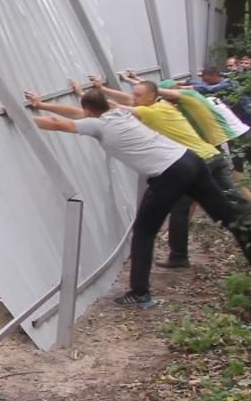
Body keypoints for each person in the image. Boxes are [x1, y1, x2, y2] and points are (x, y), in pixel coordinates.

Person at [24, 87, 251, 306]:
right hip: (191, 160)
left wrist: (22, 117)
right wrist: (42, 105)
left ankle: (139, 293)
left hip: (169, 173)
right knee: (227, 215)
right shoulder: (119, 113)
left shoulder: (98, 126)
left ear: (89, 111)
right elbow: (76, 114)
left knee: (144, 232)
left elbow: (58, 124)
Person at [90, 76, 245, 268]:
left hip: (199, 163)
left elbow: (118, 107)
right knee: (233, 200)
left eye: (138, 95)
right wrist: (103, 89)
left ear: (153, 96)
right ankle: (244, 229)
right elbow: (127, 100)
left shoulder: (152, 112)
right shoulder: (165, 107)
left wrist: (89, 96)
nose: (133, 97)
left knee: (180, 209)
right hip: (214, 156)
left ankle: (178, 256)